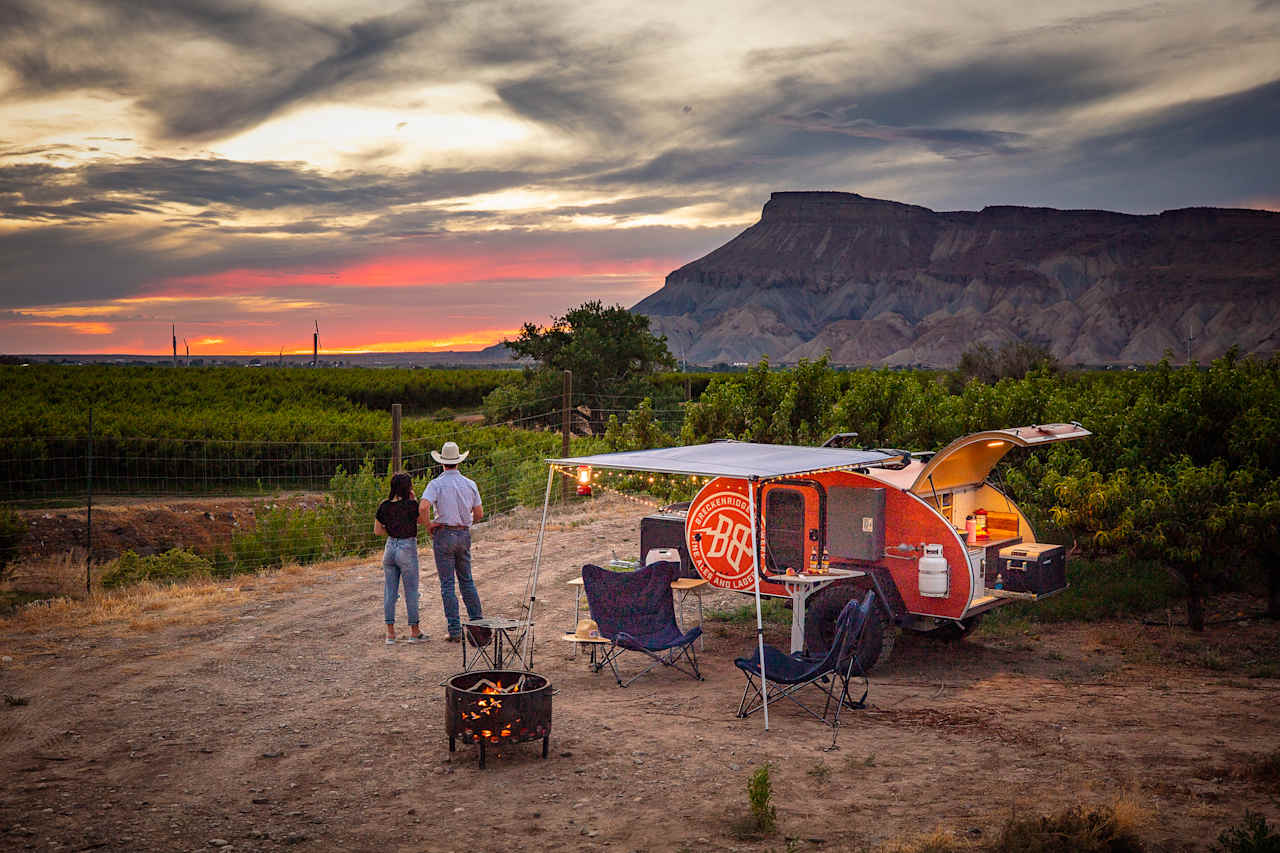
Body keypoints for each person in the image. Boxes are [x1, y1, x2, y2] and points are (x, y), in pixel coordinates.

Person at [419, 441, 484, 642]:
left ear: (442, 463)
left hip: (444, 534)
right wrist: (467, 521)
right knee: (467, 581)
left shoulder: (436, 484)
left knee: (447, 584)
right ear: (458, 462)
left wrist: (429, 525)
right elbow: (479, 513)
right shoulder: (470, 484)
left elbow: (422, 507)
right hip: (463, 534)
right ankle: (477, 626)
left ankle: (455, 631)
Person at [374, 473, 426, 645]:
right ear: (408, 487)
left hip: (390, 548)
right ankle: (414, 632)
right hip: (407, 547)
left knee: (390, 592)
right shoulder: (411, 505)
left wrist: (392, 531)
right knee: (411, 591)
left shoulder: (384, 505)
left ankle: (390, 634)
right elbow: (420, 520)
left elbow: (378, 531)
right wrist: (415, 499)